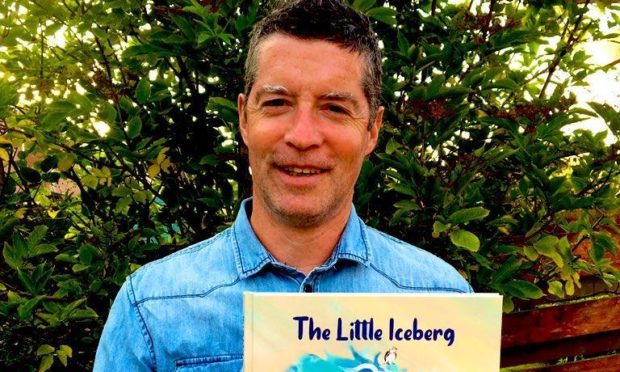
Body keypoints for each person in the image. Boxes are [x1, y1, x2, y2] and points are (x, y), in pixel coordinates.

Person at [94, 0, 472, 370]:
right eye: (276, 103)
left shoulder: (443, 300)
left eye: (335, 108)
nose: (302, 136)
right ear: (243, 118)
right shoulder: (151, 309)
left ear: (372, 129)